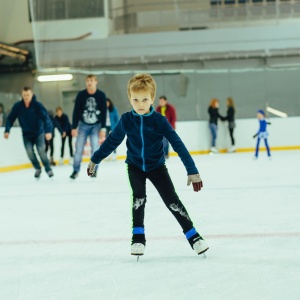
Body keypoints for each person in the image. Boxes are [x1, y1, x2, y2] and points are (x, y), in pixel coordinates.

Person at [87, 73, 209, 257]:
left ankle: (194, 237)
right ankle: (138, 239)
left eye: (145, 99)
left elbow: (177, 144)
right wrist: (95, 158)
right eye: (136, 100)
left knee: (172, 201)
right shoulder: (127, 119)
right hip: (135, 166)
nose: (140, 104)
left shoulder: (159, 120)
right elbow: (112, 141)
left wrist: (192, 170)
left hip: (156, 167)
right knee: (139, 199)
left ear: (153, 98)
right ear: (130, 99)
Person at [4, 87, 54, 178]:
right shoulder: (18, 106)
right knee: (29, 152)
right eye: (24, 95)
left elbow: (46, 118)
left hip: (39, 133)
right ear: (22, 95)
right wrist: (7, 130)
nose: (26, 97)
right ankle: (37, 168)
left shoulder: (37, 105)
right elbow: (10, 118)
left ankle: (48, 168)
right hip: (26, 134)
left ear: (32, 94)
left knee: (41, 151)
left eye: (28, 95)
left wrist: (48, 131)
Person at [70, 74, 107, 179]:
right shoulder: (81, 95)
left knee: (95, 148)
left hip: (96, 125)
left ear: (96, 82)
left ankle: (93, 170)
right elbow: (76, 111)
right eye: (87, 81)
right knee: (78, 149)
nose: (89, 82)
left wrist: (103, 128)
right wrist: (74, 127)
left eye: (91, 80)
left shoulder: (101, 95)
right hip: (83, 125)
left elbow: (104, 112)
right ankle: (75, 170)